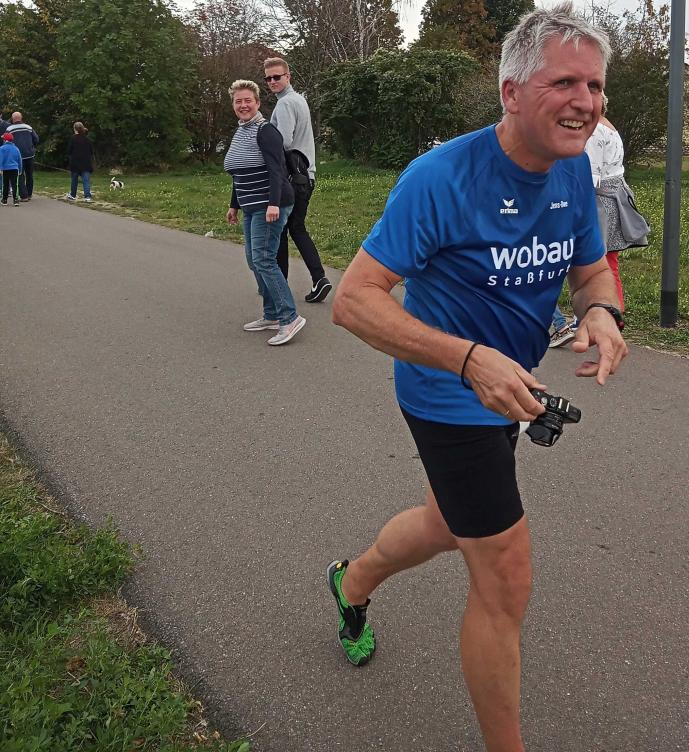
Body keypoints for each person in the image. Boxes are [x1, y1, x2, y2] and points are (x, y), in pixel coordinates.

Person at [327, 5, 628, 751]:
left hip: (509, 392)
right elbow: (354, 300)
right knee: (505, 577)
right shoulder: (440, 178)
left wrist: (602, 311)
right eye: (565, 82)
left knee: (445, 524)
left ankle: (352, 581)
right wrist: (467, 359)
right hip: (447, 395)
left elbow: (592, 268)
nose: (585, 101)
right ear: (511, 92)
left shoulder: (573, 169)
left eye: (595, 85)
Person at [549, 94, 648, 349]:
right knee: (608, 262)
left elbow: (589, 178)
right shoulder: (610, 127)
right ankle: (612, 315)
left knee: (589, 261)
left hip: (599, 203)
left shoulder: (594, 133)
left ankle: (590, 317)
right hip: (614, 200)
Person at [224, 79, 306, 346]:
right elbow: (239, 172)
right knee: (254, 259)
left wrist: (273, 203)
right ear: (233, 105)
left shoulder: (266, 131)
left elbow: (276, 170)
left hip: (270, 204)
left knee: (264, 259)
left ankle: (289, 317)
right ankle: (271, 314)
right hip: (251, 205)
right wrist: (234, 204)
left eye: (248, 100)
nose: (243, 105)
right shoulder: (241, 131)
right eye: (238, 101)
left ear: (258, 103)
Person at [264, 57, 332, 304]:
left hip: (293, 177)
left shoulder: (285, 104)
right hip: (306, 175)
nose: (272, 81)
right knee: (296, 227)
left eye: (277, 77)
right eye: (268, 78)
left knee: (281, 229)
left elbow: (284, 142)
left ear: (288, 76)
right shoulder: (299, 100)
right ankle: (319, 278)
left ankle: (279, 285)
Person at [5, 112, 39, 201]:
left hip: (17, 155)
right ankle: (29, 194)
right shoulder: (28, 127)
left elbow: (6, 141)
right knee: (29, 175)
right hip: (30, 154)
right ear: (21, 118)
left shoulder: (9, 129)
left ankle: (24, 196)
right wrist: (32, 147)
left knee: (20, 175)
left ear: (12, 119)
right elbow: (36, 139)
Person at [65, 122, 94, 203]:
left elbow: (69, 151)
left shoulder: (73, 139)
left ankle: (73, 195)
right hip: (86, 163)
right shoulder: (87, 139)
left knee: (74, 180)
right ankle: (87, 196)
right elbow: (91, 151)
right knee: (86, 180)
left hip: (75, 163)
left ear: (75, 129)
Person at [0, 132, 23, 206]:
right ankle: (16, 200)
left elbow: (1, 159)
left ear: (5, 140)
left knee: (5, 184)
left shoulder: (2, 148)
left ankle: (4, 200)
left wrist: (0, 168)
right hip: (14, 168)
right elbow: (19, 160)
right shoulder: (16, 148)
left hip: (5, 169)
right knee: (14, 184)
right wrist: (20, 169)